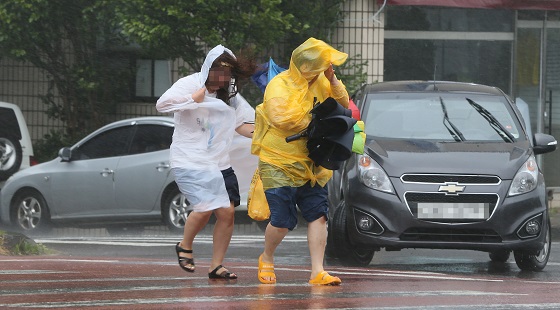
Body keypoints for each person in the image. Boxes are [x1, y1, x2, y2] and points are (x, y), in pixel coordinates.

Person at [251, 37, 349, 285]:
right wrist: (317, 122)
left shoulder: (325, 82)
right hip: (278, 161)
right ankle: (267, 257)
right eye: (315, 68)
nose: (316, 74)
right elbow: (281, 117)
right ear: (302, 66)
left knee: (318, 214)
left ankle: (318, 271)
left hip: (313, 162)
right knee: (283, 221)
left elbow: (343, 105)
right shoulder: (279, 83)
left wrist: (333, 80)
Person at [156, 45, 256, 280]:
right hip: (190, 160)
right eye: (219, 72)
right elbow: (162, 104)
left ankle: (216, 265)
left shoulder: (230, 96)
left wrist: (266, 133)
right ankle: (185, 245)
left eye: (228, 74)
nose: (223, 78)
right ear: (208, 69)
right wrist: (192, 99)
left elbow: (241, 125)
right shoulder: (189, 84)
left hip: (219, 163)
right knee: (204, 208)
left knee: (227, 213)